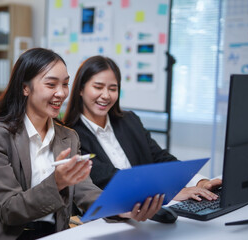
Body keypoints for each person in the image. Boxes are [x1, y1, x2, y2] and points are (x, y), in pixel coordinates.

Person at [0, 48, 164, 240]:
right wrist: (57, 182)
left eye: (65, 84)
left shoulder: (69, 137)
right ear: (25, 88)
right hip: (5, 234)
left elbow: (85, 190)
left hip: (54, 234)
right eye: (51, 84)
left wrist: (122, 208)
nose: (62, 93)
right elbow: (9, 209)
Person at [63, 55, 222, 202]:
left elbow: (160, 158)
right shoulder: (70, 135)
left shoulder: (129, 121)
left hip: (151, 211)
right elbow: (110, 179)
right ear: (81, 89)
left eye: (112, 89)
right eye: (98, 87)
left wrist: (199, 182)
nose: (106, 95)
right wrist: (168, 192)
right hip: (111, 216)